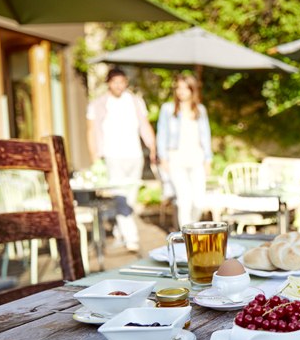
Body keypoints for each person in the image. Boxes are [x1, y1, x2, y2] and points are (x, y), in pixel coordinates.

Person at [86, 68, 156, 252]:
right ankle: (132, 238)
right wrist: (95, 157)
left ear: (126, 83)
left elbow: (144, 126)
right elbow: (92, 131)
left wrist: (153, 147)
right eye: (115, 81)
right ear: (108, 82)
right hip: (112, 154)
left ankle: (120, 230)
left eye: (122, 81)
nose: (119, 85)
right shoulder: (98, 104)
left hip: (135, 155)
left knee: (130, 198)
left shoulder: (135, 101)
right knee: (120, 196)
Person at [156, 74, 213, 227]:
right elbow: (162, 134)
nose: (181, 92)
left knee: (199, 201)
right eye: (178, 88)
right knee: (184, 199)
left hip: (196, 158)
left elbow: (206, 135)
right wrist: (163, 158)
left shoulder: (200, 110)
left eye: (185, 88)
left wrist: (208, 159)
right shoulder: (168, 109)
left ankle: (192, 229)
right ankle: (186, 237)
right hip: (176, 158)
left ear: (192, 90)